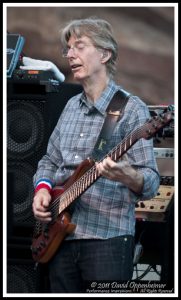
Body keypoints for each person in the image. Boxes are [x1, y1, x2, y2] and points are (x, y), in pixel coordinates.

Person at [32, 17, 160, 293]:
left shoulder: (132, 109)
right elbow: (49, 162)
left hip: (108, 239)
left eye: (79, 46)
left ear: (104, 54)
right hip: (59, 239)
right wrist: (42, 190)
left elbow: (150, 183)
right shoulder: (69, 107)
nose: (70, 55)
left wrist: (129, 175)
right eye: (68, 48)